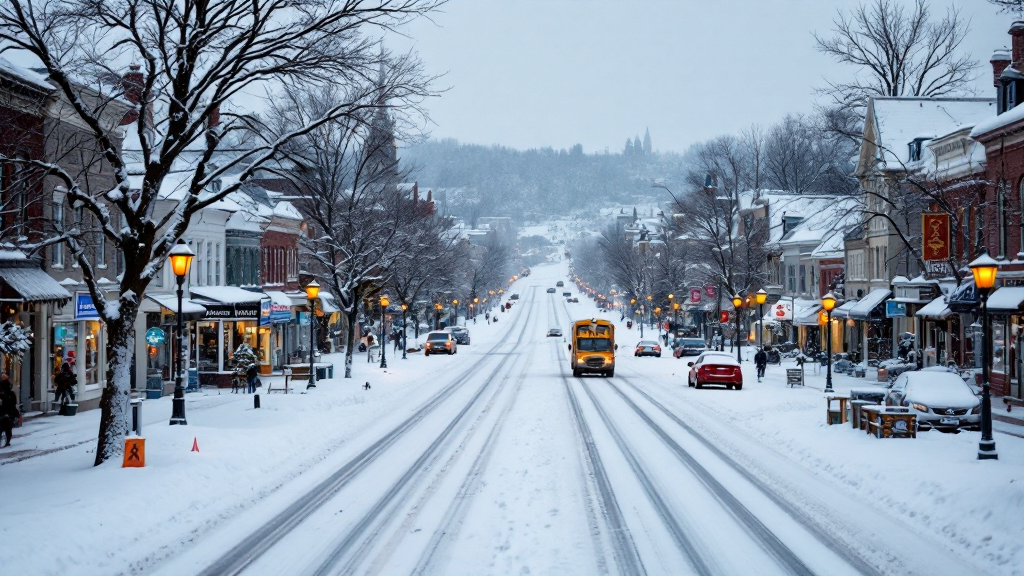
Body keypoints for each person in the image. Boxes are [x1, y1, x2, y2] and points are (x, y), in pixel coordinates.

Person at [0, 376, 19, 447]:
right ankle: (7, 441)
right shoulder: (11, 394)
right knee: (8, 428)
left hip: (4, 413)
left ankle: (7, 441)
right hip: (8, 413)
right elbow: (13, 404)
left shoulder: (2, 395)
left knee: (5, 428)